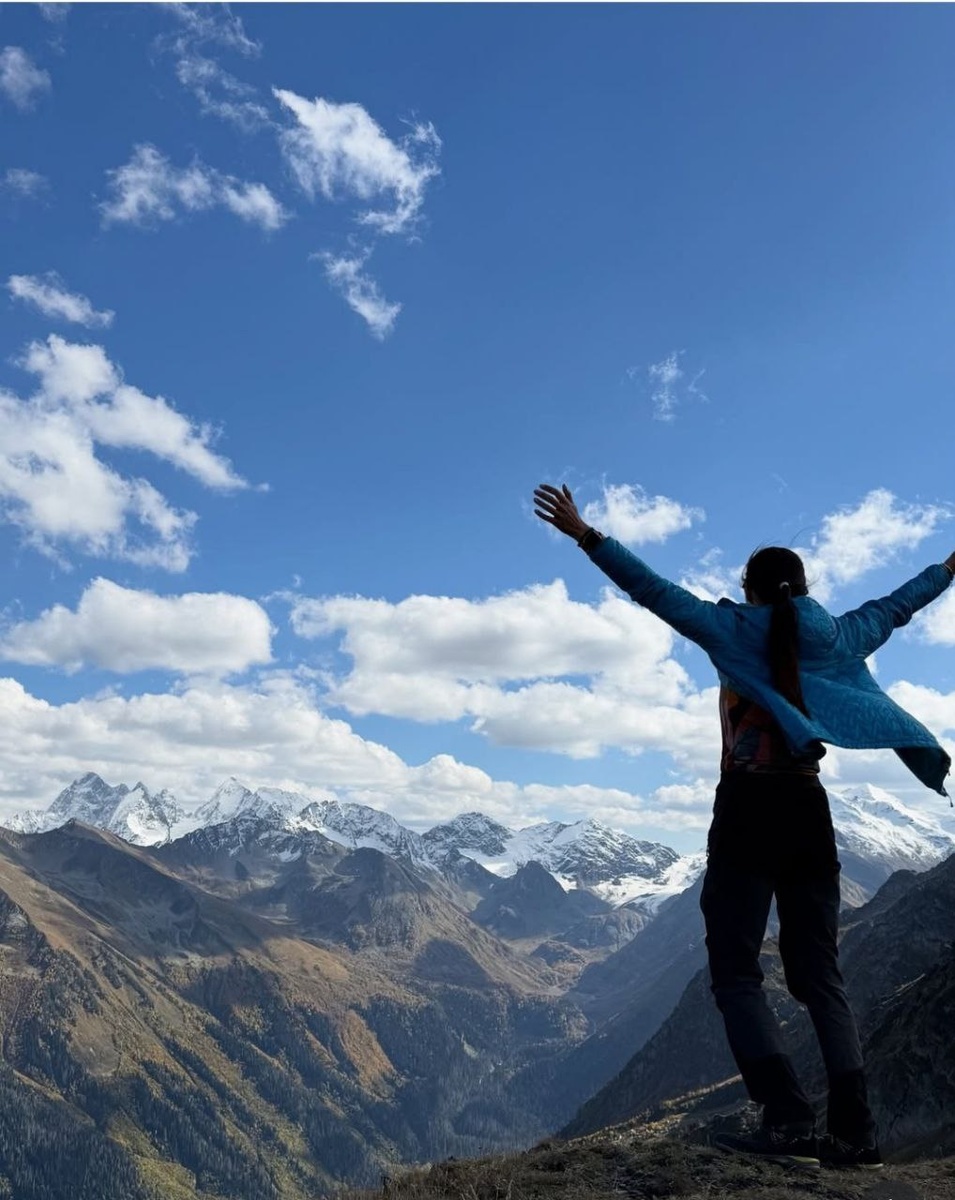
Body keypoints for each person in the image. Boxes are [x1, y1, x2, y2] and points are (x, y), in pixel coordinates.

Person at [533, 482, 955, 1171]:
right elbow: (895, 608)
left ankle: (786, 1119)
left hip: (747, 810)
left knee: (735, 971)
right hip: (809, 811)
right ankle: (855, 1134)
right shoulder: (839, 635)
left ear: (749, 590)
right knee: (819, 974)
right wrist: (947, 567)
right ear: (804, 588)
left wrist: (585, 534)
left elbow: (654, 590)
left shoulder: (730, 630)